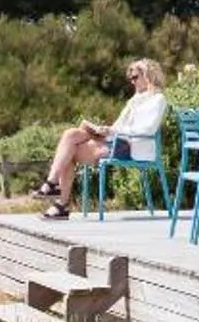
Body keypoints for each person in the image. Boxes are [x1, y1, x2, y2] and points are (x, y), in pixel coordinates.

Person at [36, 58, 166, 219]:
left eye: (135, 77)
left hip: (131, 146)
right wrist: (104, 130)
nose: (132, 82)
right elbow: (119, 125)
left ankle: (59, 199)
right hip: (116, 139)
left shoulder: (157, 100)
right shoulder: (133, 100)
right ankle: (53, 184)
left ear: (148, 76)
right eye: (130, 78)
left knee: (68, 151)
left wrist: (114, 130)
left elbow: (148, 129)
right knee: (70, 135)